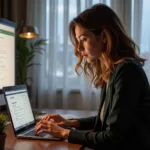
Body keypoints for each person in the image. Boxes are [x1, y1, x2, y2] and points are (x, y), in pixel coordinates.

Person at [35, 3, 150, 150]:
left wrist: (64, 133)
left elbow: (111, 137)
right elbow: (107, 120)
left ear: (103, 36)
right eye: (78, 41)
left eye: (83, 39)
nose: (79, 48)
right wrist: (71, 123)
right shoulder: (114, 70)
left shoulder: (127, 71)